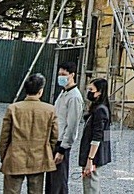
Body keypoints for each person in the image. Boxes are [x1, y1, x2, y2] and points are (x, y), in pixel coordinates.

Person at [0, 73, 59, 194]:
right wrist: (48, 153)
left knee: (11, 191)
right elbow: (54, 137)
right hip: (38, 157)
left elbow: (4, 137)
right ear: (41, 91)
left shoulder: (13, 108)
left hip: (15, 156)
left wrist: (4, 156)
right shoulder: (50, 110)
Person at [46, 61, 84, 194]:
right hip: (54, 139)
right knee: (51, 180)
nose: (61, 77)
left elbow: (72, 125)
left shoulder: (74, 97)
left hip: (61, 142)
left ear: (72, 75)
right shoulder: (64, 93)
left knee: (59, 181)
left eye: (64, 74)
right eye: (59, 74)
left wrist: (63, 148)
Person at [79, 78, 112, 194]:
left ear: (99, 92)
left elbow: (98, 136)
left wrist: (90, 159)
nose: (89, 92)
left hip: (93, 155)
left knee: (91, 186)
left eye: (91, 89)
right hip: (96, 153)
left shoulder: (100, 110)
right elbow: (106, 135)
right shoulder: (101, 108)